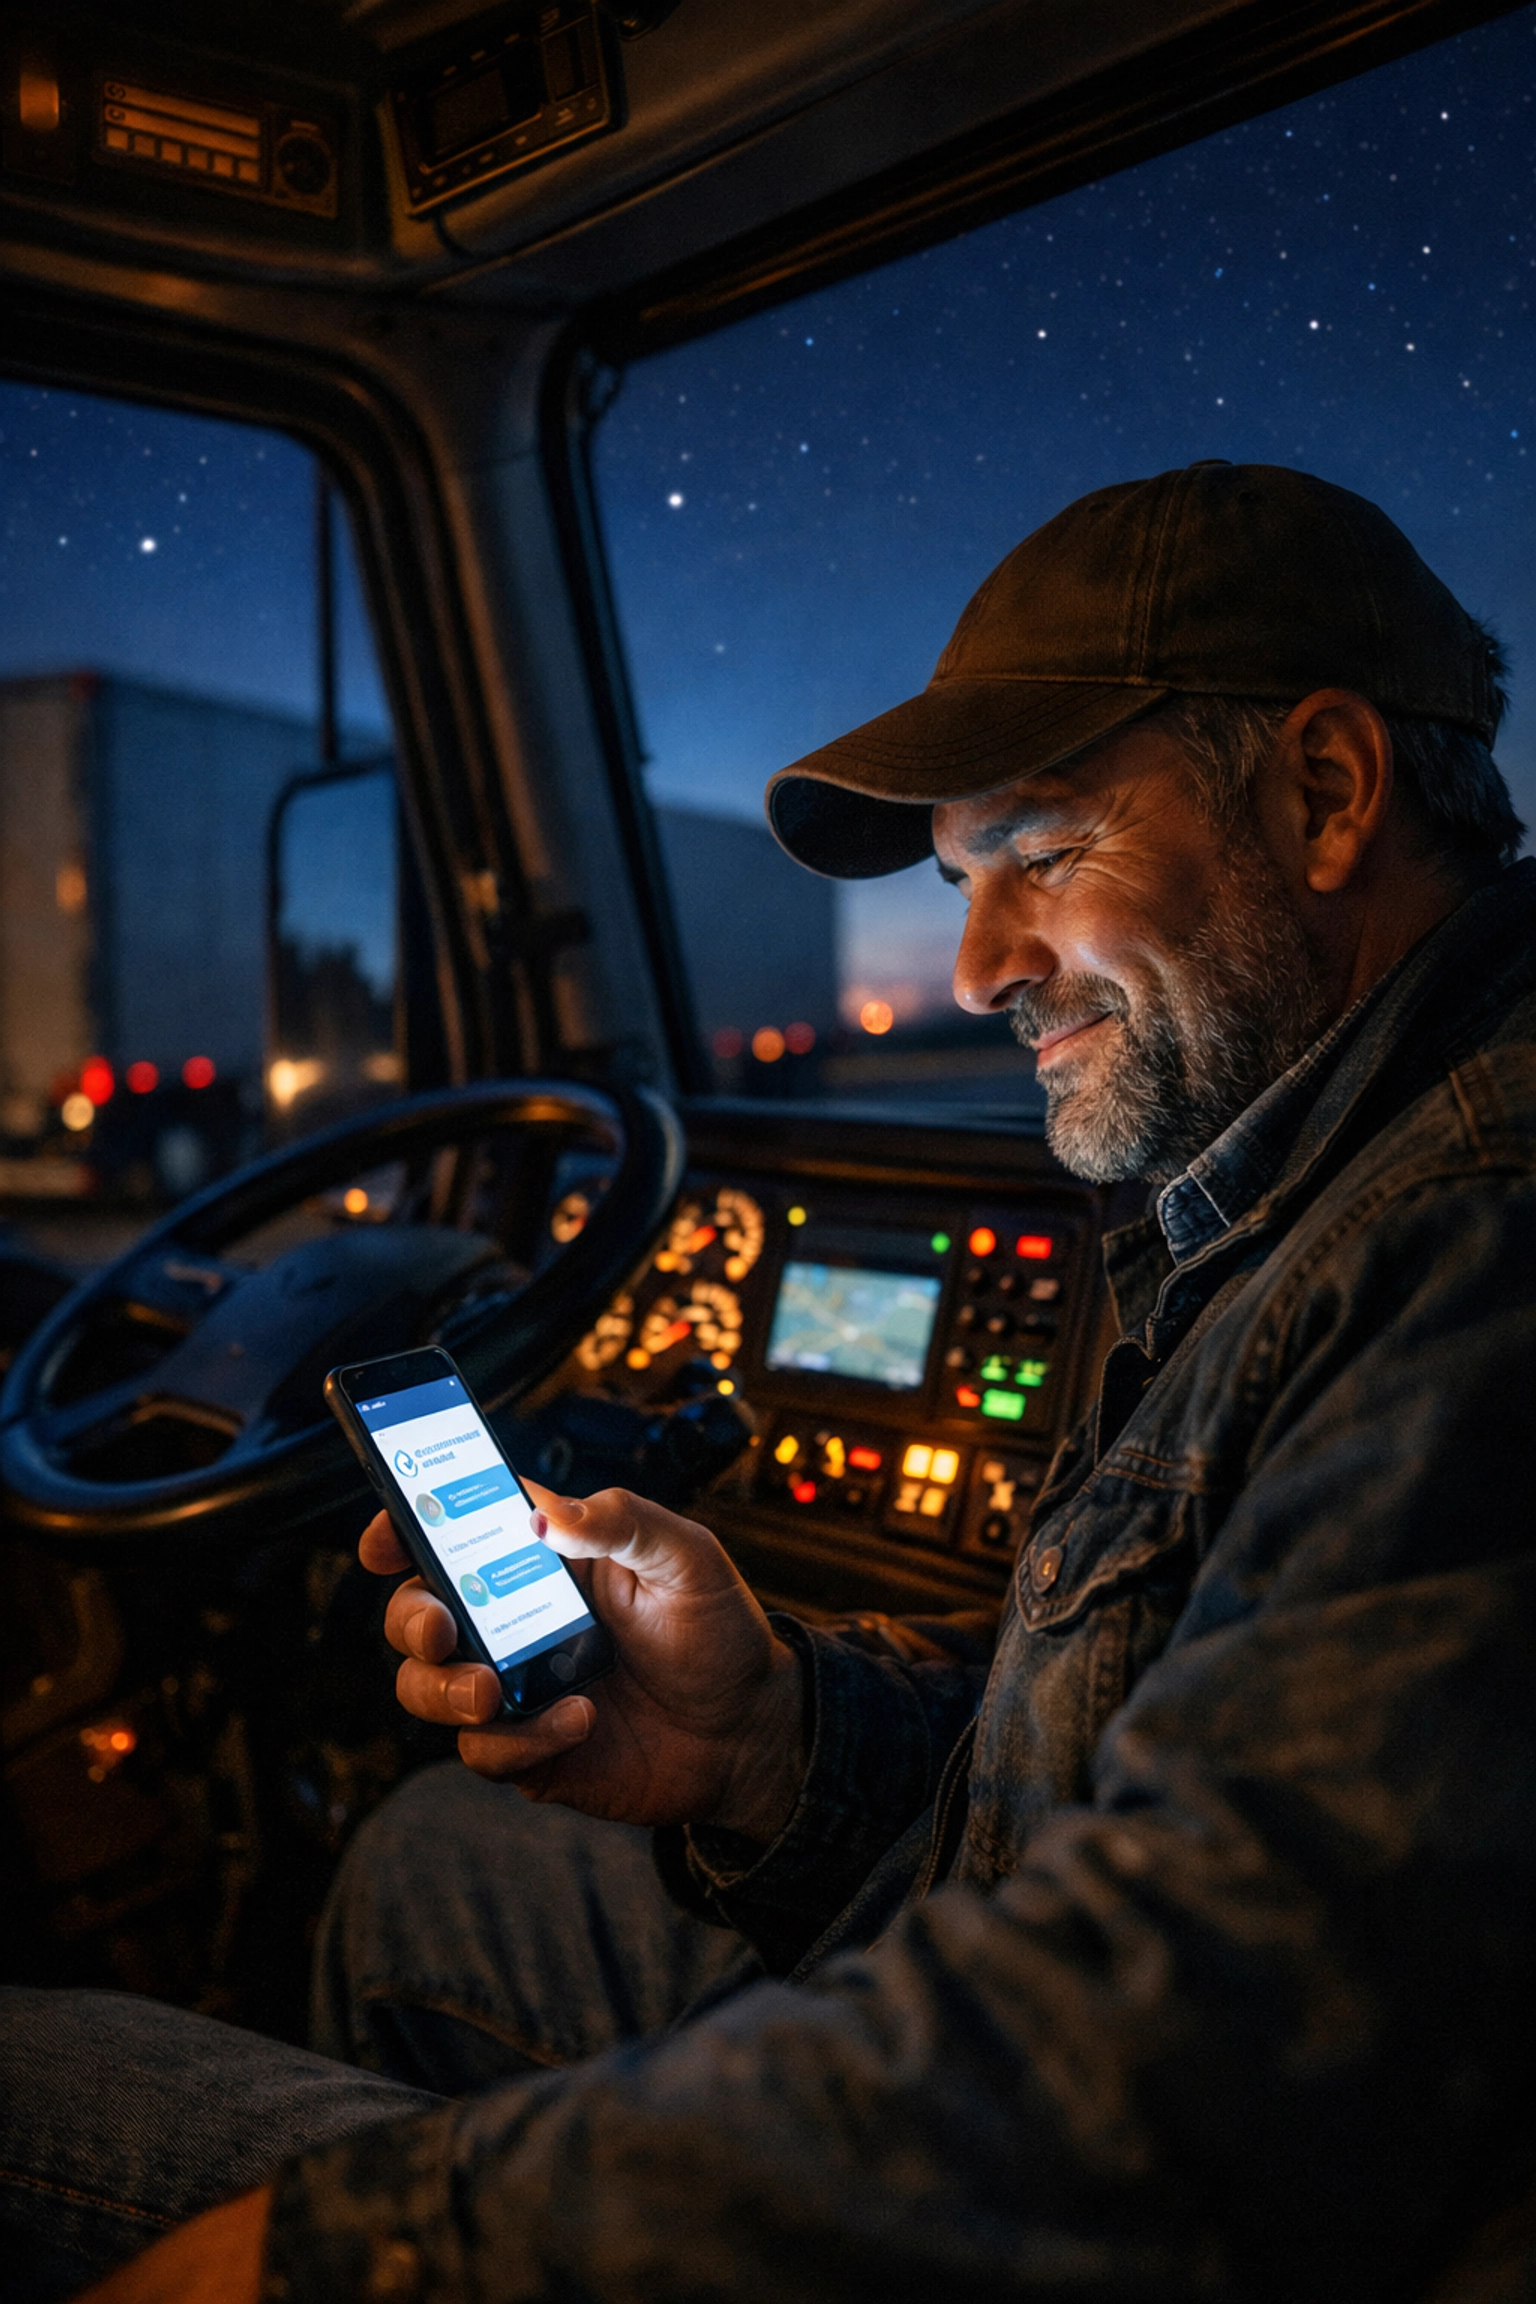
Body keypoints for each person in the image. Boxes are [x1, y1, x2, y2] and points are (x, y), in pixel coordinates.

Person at [5, 459, 1536, 2304]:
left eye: (1041, 852)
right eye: (965, 881)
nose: (975, 966)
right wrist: (767, 1745)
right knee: (437, 1858)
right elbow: (1123, 1788)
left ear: (1328, 789)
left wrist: (367, 2256)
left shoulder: (1471, 1239)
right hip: (1067, 2026)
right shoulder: (1260, 1195)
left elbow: (1216, 2058)